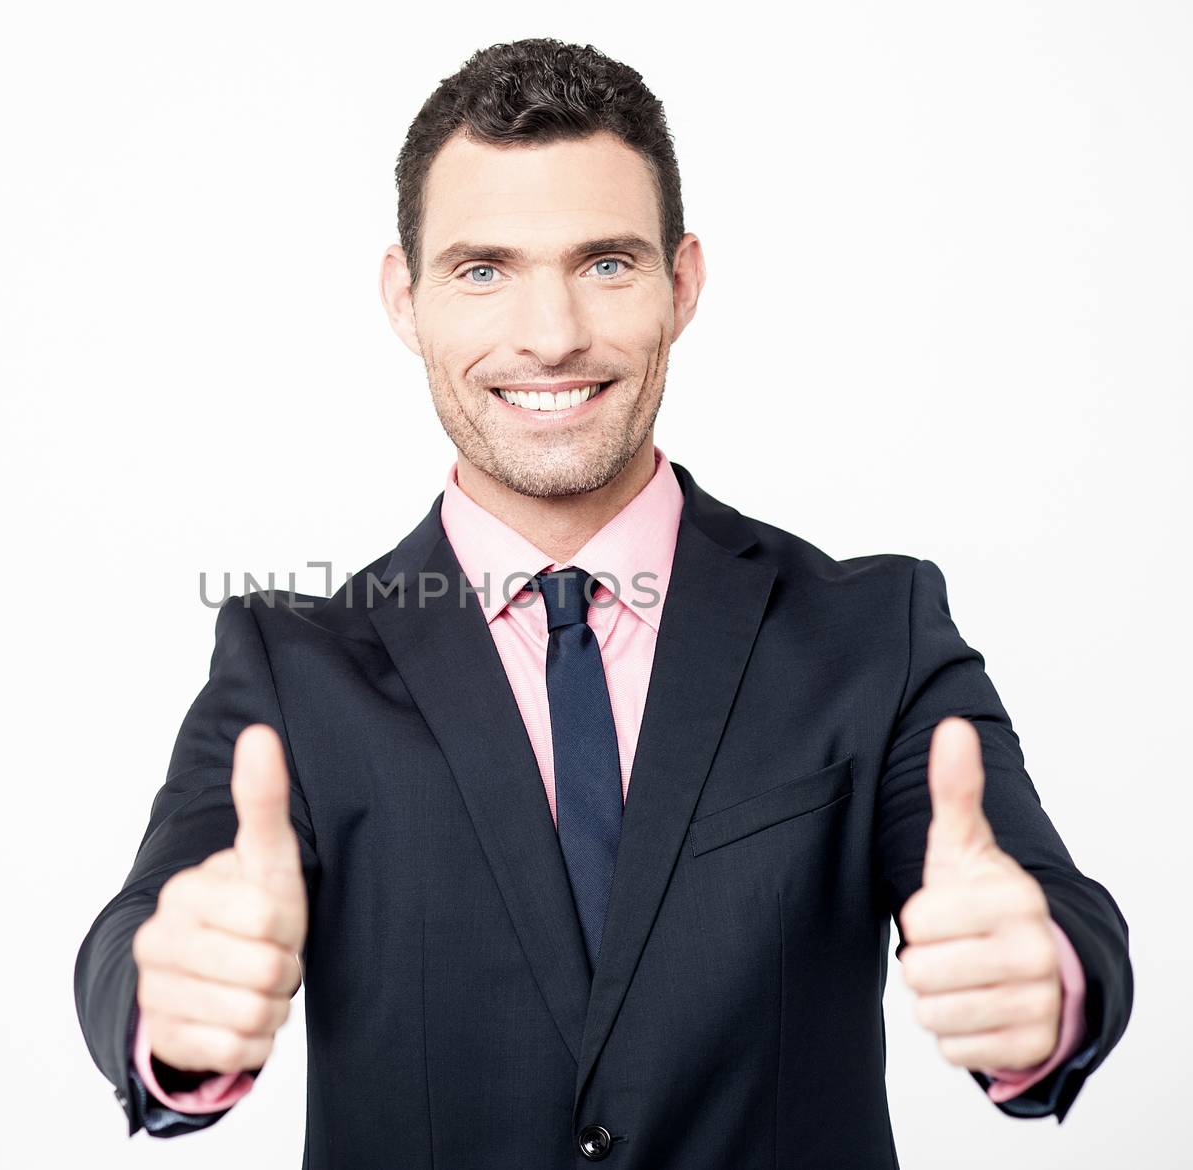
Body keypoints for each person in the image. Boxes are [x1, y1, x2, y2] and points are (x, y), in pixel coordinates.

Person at [72, 37, 1132, 1167]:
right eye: (484, 269)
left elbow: (1053, 914)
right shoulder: (291, 668)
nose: (551, 335)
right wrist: (169, 1007)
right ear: (405, 297)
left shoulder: (873, 634)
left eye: (605, 264)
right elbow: (140, 938)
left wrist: (1040, 986)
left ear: (681, 284)